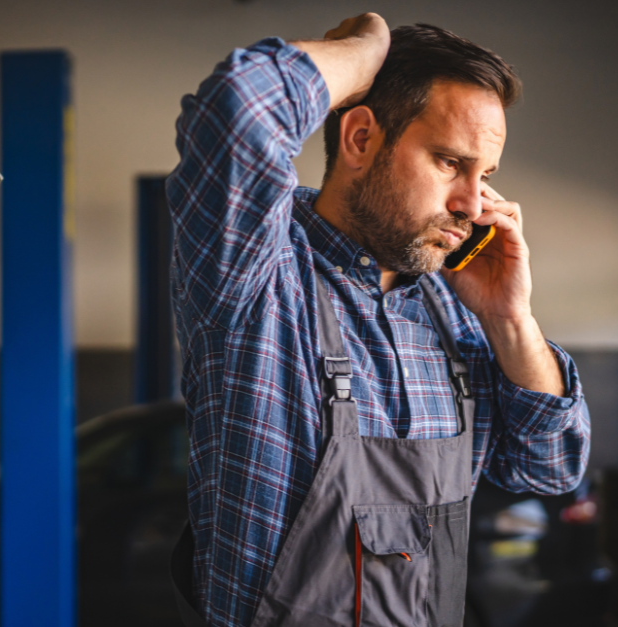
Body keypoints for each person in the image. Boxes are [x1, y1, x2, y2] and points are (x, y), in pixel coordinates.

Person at [166, 13, 590, 627]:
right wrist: (365, 50)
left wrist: (509, 319)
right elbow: (238, 110)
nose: (473, 204)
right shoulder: (260, 278)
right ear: (361, 139)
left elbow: (549, 467)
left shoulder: (456, 313)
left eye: (485, 176)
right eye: (450, 162)